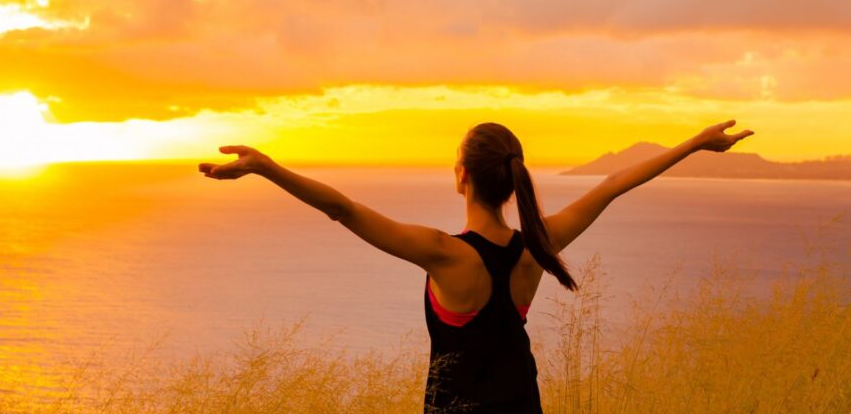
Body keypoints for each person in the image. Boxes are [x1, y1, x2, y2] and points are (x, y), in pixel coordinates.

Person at [197, 118, 755, 412]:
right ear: (511, 179)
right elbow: (612, 186)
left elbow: (342, 209)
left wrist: (267, 167)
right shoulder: (539, 243)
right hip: (523, 404)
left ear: (462, 175)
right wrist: (694, 144)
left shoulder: (444, 253)